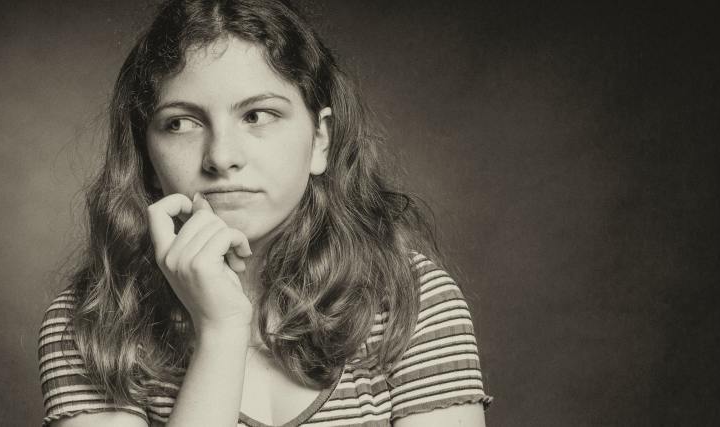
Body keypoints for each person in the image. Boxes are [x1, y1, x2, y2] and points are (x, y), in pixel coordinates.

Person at [38, 1, 491, 425]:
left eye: (257, 115)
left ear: (320, 141)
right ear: (147, 157)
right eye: (181, 123)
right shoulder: (93, 323)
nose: (221, 156)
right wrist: (220, 331)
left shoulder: (409, 299)